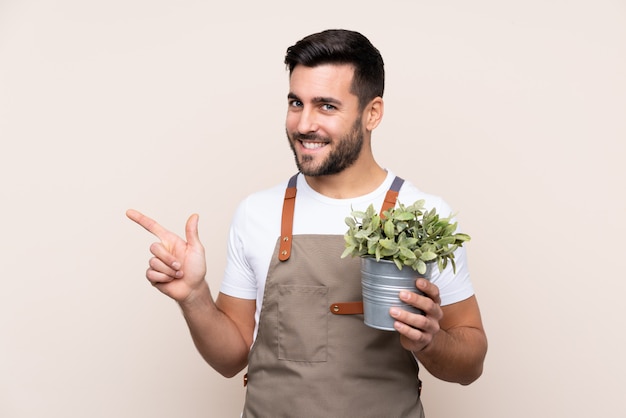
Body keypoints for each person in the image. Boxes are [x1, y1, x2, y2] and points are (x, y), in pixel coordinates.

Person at [127, 29, 487, 417]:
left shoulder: (423, 217)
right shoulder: (256, 213)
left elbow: (470, 364)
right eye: (296, 103)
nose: (303, 124)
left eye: (326, 106)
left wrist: (431, 341)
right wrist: (194, 296)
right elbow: (230, 358)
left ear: (373, 113)